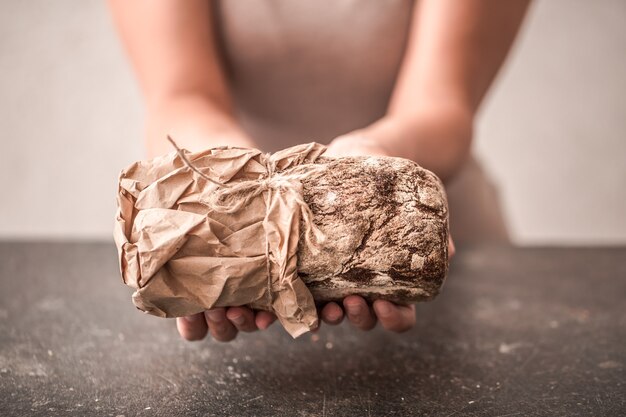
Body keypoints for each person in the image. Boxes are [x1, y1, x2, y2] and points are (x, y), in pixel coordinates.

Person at [108, 0, 530, 342]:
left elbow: (443, 106)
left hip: (411, 222)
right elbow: (181, 95)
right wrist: (234, 205)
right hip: (232, 221)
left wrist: (370, 155)